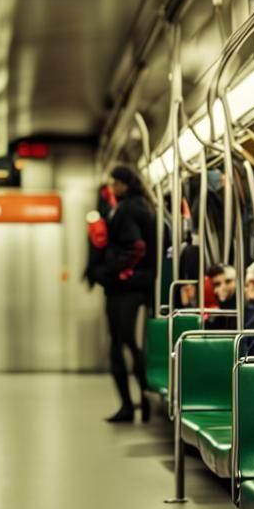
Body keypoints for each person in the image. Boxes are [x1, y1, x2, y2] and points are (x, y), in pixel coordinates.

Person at [103, 165, 157, 422]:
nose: (112, 188)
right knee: (131, 343)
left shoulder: (127, 210)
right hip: (140, 286)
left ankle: (130, 404)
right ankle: (143, 399)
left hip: (125, 288)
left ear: (123, 184)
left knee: (121, 344)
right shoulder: (143, 206)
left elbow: (136, 247)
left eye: (114, 183)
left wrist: (119, 270)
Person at [206, 263, 237, 330]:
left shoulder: (246, 306)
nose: (223, 287)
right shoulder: (219, 311)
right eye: (216, 285)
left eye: (228, 282)